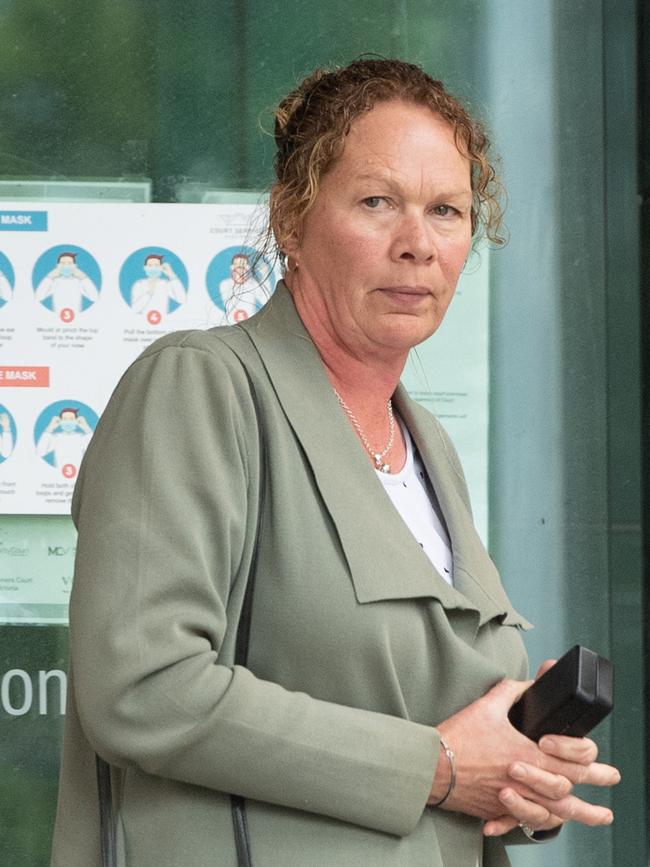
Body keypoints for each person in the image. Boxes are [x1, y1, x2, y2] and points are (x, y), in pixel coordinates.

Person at [51, 59, 620, 867]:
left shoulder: (430, 447)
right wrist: (440, 766)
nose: (417, 244)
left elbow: (433, 724)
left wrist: (516, 770)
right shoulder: (202, 386)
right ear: (291, 219)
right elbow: (143, 688)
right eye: (377, 202)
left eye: (447, 210)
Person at [34, 252, 99, 318]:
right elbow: (38, 297)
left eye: (70, 263)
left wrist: (84, 277)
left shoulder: (78, 282)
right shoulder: (55, 282)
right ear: (57, 266)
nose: (66, 266)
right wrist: (49, 277)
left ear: (75, 266)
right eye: (63, 263)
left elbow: (94, 297)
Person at [218, 252, 270, 323]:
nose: (240, 269)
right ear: (232, 267)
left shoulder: (253, 284)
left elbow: (265, 300)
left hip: (250, 325)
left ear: (247, 267)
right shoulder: (225, 284)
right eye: (237, 265)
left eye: (243, 265)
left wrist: (265, 275)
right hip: (230, 325)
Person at [36, 408, 93, 472]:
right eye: (65, 419)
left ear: (76, 421)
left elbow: (95, 450)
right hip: (58, 475)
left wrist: (86, 428)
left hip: (79, 474)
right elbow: (40, 451)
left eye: (71, 419)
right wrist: (50, 427)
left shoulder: (81, 438)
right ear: (60, 421)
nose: (68, 422)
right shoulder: (56, 437)